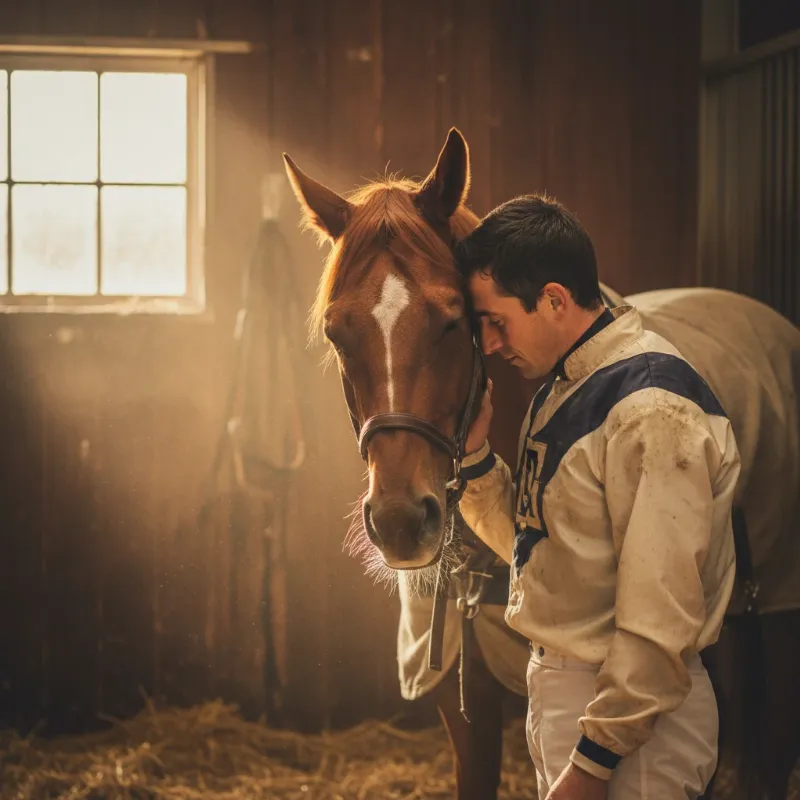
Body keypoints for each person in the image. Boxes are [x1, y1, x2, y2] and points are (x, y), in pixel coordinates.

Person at [453, 194, 740, 800]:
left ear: (554, 300)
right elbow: (544, 557)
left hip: (631, 727)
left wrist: (592, 763)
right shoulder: (570, 385)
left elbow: (661, 620)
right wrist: (477, 458)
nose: (490, 344)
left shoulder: (650, 409)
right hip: (582, 700)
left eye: (497, 320)